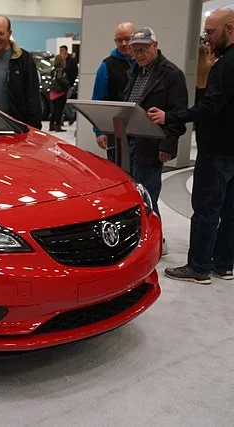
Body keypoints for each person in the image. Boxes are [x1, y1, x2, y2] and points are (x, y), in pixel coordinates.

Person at [148, 7, 234, 285]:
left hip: (217, 150)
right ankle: (224, 264)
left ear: (229, 29)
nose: (206, 38)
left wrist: (170, 116)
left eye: (210, 32)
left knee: (207, 208)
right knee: (230, 210)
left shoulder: (224, 65)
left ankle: (198, 267)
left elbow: (210, 106)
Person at [122, 27, 187, 260]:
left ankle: (156, 240)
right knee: (133, 195)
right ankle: (142, 239)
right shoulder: (136, 72)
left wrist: (167, 145)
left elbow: (179, 115)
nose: (139, 54)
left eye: (143, 49)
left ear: (155, 46)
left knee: (148, 195)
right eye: (135, 50)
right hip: (129, 141)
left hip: (152, 144)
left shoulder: (171, 74)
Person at [92, 22, 136, 162]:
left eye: (128, 39)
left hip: (141, 133)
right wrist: (99, 132)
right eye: (119, 40)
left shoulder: (145, 64)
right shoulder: (106, 66)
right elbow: (98, 101)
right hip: (115, 131)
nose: (124, 43)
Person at [48, 54, 69, 132]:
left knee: (54, 110)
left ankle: (51, 125)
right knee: (59, 110)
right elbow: (60, 78)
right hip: (60, 92)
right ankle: (58, 126)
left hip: (53, 92)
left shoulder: (53, 70)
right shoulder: (61, 70)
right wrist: (67, 84)